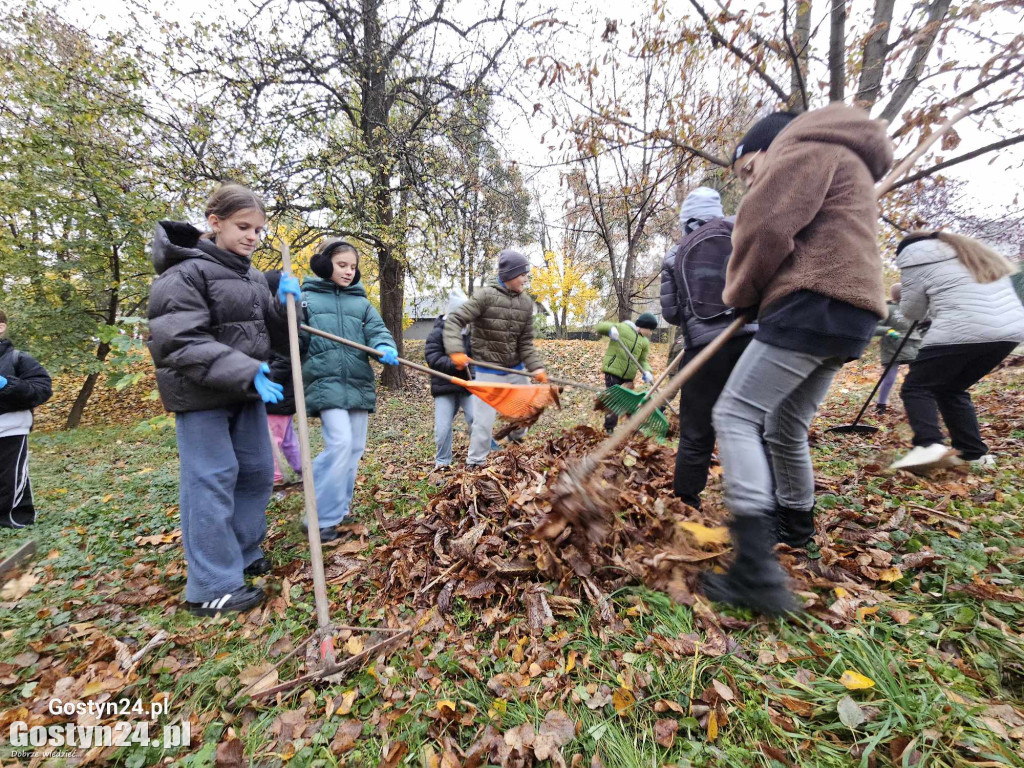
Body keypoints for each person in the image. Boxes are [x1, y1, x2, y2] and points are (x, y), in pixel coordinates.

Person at [701, 105, 893, 614]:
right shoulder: (844, 157)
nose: (748, 182)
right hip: (851, 314)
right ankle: (797, 526)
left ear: (768, 147)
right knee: (785, 425)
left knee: (734, 414)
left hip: (813, 301)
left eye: (747, 170)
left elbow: (764, 226)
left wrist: (740, 292)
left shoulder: (802, 147)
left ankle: (754, 567)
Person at [147, 183, 301, 616]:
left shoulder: (249, 274)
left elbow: (271, 335)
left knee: (253, 472)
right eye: (243, 226)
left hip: (245, 393)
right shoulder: (183, 273)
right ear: (214, 223)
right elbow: (178, 342)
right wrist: (247, 370)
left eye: (259, 230)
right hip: (201, 396)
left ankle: (243, 551)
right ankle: (211, 584)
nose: (253, 236)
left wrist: (286, 306)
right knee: (211, 480)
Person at [890, 231, 1024, 472]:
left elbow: (913, 311)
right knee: (951, 388)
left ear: (903, 251)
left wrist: (906, 297)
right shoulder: (973, 252)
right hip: (1008, 332)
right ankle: (974, 455)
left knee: (916, 387)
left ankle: (930, 445)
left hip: (962, 328)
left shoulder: (914, 257)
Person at [660, 187, 757, 509]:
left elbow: (671, 313)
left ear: (686, 220)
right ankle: (757, 501)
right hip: (751, 343)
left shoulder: (676, 253)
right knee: (753, 425)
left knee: (696, 429)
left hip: (703, 353)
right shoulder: (743, 235)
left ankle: (687, 499)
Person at [300, 239, 398, 539]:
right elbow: (294, 342)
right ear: (325, 263)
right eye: (342, 265)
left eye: (352, 267)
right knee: (340, 445)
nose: (348, 271)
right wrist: (287, 309)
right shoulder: (305, 299)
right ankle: (319, 515)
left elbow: (377, 331)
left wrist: (383, 346)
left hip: (358, 384)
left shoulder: (361, 303)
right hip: (325, 383)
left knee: (353, 450)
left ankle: (339, 509)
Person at [443, 250, 547, 467]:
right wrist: (455, 350)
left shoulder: (526, 303)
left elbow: (525, 342)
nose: (525, 279)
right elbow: (454, 321)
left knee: (526, 413)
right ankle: (475, 462)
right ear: (509, 274)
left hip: (516, 369)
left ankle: (515, 435)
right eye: (522, 274)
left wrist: (536, 368)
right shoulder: (485, 296)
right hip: (488, 370)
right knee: (483, 421)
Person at [0, 309, 53, 529]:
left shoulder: (18, 358)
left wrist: (5, 384)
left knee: (8, 478)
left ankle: (14, 518)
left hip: (10, 427)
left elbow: (42, 389)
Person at [426, 289, 476, 472]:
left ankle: (476, 459)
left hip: (466, 387)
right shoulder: (438, 333)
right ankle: (442, 462)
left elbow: (475, 359)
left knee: (476, 419)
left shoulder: (469, 333)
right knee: (443, 427)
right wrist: (454, 363)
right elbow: (432, 358)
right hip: (444, 387)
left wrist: (472, 369)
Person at [263, 270, 303, 488]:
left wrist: (268, 379)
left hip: (277, 397)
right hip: (279, 396)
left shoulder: (281, 328)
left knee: (276, 440)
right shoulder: (270, 323)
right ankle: (302, 470)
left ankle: (278, 479)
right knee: (286, 440)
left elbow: (284, 360)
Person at [595, 314, 657, 433]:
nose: (650, 333)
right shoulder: (623, 328)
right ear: (644, 326)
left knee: (628, 402)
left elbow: (642, 360)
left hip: (629, 377)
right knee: (614, 400)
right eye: (650, 329)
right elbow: (600, 327)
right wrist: (611, 329)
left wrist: (647, 371)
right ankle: (610, 428)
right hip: (613, 371)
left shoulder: (644, 342)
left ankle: (634, 428)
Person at [872, 283, 922, 414]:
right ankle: (881, 404)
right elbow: (874, 327)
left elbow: (924, 320)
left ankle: (912, 395)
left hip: (913, 344)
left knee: (919, 373)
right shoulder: (888, 309)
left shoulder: (913, 308)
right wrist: (888, 330)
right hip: (892, 346)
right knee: (889, 378)